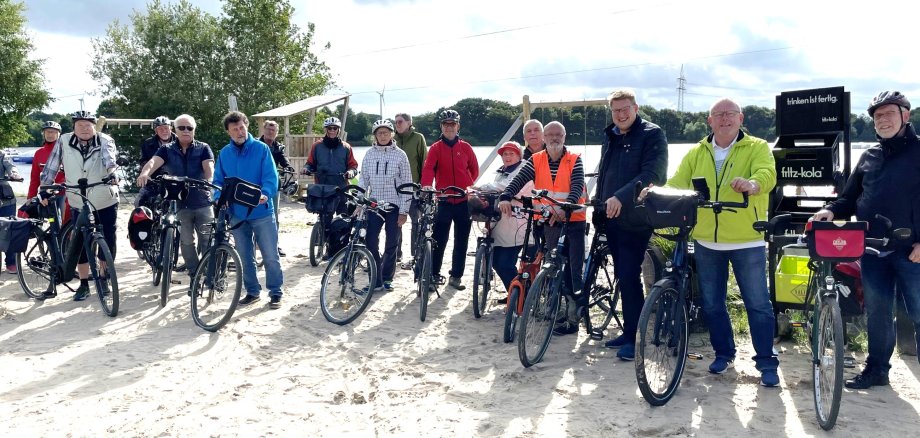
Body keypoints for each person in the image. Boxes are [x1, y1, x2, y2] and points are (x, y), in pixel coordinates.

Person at [664, 97, 779, 387]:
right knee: (713, 304)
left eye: (731, 114)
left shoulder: (758, 147)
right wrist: (657, 192)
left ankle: (766, 361)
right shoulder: (697, 152)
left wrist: (753, 185)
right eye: (718, 114)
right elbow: (678, 182)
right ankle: (724, 354)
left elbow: (767, 174)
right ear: (710, 121)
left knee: (758, 304)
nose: (725, 118)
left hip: (746, 239)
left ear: (741, 119)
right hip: (706, 241)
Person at [813, 90, 920, 389]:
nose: (883, 120)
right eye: (877, 116)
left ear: (906, 115)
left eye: (889, 113)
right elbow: (848, 199)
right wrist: (828, 211)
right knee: (878, 314)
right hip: (872, 249)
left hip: (913, 251)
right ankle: (877, 371)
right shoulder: (869, 156)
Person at [595, 89, 668, 361]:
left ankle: (635, 338)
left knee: (628, 275)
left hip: (636, 218)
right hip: (610, 215)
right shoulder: (610, 134)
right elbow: (604, 171)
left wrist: (620, 197)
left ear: (636, 108)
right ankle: (628, 332)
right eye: (616, 110)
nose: (621, 114)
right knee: (623, 278)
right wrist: (599, 201)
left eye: (626, 109)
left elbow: (653, 175)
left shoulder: (652, 134)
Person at [498, 121, 587, 336]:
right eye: (550, 135)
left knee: (574, 269)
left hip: (573, 219)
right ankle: (555, 306)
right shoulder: (535, 160)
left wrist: (564, 210)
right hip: (549, 221)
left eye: (558, 134)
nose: (554, 138)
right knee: (552, 263)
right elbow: (518, 179)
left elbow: (577, 187)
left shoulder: (575, 159)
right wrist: (505, 196)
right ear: (544, 138)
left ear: (564, 137)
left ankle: (574, 317)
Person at [40, 111, 120, 301]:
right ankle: (83, 284)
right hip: (77, 198)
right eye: (80, 125)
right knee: (81, 241)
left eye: (88, 125)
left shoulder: (105, 140)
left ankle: (103, 276)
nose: (85, 129)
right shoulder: (64, 141)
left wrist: (112, 174)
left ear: (94, 126)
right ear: (74, 128)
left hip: (103, 196)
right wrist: (44, 187)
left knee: (108, 237)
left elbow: (110, 160)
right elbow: (51, 166)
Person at [213, 111, 284, 309]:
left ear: (247, 127)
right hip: (237, 214)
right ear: (228, 132)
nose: (239, 131)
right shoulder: (224, 153)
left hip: (261, 212)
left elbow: (271, 177)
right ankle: (252, 292)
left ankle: (276, 292)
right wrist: (219, 198)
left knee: (270, 255)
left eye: (242, 127)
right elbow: (218, 181)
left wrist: (266, 193)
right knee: (244, 257)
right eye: (234, 129)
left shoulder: (262, 149)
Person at [136, 114, 215, 279]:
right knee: (186, 241)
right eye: (182, 128)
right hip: (180, 202)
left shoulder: (203, 148)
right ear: (176, 130)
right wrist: (145, 173)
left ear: (194, 130)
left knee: (207, 239)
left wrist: (209, 181)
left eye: (189, 128)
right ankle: (195, 273)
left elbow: (209, 167)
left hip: (202, 200)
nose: (186, 131)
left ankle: (209, 272)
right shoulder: (166, 149)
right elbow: (152, 162)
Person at [420, 109, 479, 290]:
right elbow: (429, 169)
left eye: (452, 124)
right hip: (444, 199)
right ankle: (433, 275)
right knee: (439, 239)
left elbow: (474, 169)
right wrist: (427, 186)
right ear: (442, 127)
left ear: (458, 126)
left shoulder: (466, 147)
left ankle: (456, 276)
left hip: (463, 200)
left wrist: (468, 186)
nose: (449, 127)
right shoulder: (436, 148)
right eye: (446, 125)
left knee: (461, 240)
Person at [359, 120, 412, 291]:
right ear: (375, 135)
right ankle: (375, 279)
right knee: (370, 242)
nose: (383, 136)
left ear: (392, 134)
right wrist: (360, 201)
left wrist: (404, 211)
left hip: (394, 205)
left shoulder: (400, 155)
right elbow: (363, 180)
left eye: (386, 132)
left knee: (391, 243)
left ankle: (387, 278)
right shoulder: (369, 154)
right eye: (379, 133)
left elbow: (407, 184)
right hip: (374, 204)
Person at [474, 141, 532, 291]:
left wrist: (483, 187)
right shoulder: (501, 171)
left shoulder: (524, 169)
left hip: (517, 224)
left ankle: (519, 295)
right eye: (505, 154)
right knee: (496, 262)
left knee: (504, 263)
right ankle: (514, 294)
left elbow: (509, 187)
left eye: (511, 153)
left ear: (519, 155)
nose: (507, 156)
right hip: (501, 224)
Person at [304, 116, 358, 256]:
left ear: (339, 130)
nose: (332, 130)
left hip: (341, 188)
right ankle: (322, 245)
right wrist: (307, 169)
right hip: (323, 188)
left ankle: (338, 249)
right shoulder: (317, 146)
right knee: (325, 220)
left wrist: (351, 173)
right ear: (326, 130)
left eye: (335, 128)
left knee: (341, 220)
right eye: (330, 128)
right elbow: (310, 162)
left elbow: (353, 165)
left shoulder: (346, 147)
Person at [393, 112, 428, 265]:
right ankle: (396, 253)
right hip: (394, 190)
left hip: (414, 188)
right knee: (396, 222)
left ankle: (415, 255)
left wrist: (422, 186)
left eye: (400, 121)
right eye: (395, 122)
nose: (397, 124)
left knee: (416, 221)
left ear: (409, 123)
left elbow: (425, 163)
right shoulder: (391, 139)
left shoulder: (418, 138)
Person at [259, 119, 293, 257]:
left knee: (274, 216)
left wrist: (289, 167)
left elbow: (284, 160)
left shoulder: (278, 147)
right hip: (256, 184)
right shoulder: (256, 145)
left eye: (273, 130)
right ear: (263, 130)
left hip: (273, 186)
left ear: (277, 133)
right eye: (268, 129)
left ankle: (274, 244)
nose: (270, 132)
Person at [26, 121, 69, 223]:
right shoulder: (39, 153)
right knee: (52, 221)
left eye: (53, 132)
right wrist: (31, 196)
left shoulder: (66, 151)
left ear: (59, 134)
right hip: (47, 192)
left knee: (65, 221)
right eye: (47, 132)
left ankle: (65, 238)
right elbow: (35, 177)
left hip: (64, 192)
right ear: (43, 134)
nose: (50, 134)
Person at [136, 116, 175, 208]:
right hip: (154, 181)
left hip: (175, 181)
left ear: (171, 128)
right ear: (155, 131)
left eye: (166, 128)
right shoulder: (148, 143)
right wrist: (145, 174)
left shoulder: (179, 142)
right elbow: (143, 161)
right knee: (139, 203)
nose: (164, 131)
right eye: (160, 129)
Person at [0, 149, 23, 273]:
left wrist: (14, 174)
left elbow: (11, 167)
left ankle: (11, 262)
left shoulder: (2, 154)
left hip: (5, 198)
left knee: (9, 228)